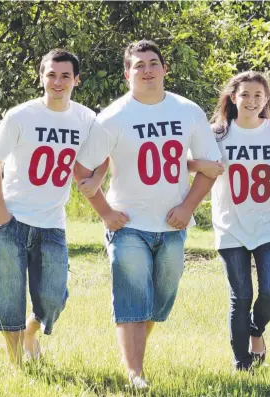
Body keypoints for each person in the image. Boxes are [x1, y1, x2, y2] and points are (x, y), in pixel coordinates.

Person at [74, 40, 221, 388]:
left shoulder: (188, 110)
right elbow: (81, 170)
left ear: (165, 69)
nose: (147, 70)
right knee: (131, 296)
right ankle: (135, 374)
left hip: (173, 225)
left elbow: (212, 168)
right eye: (139, 65)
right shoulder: (112, 117)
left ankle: (135, 352)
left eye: (153, 63)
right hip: (128, 225)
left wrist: (188, 207)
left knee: (158, 301)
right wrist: (106, 214)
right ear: (127, 74)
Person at [0, 50, 96, 366]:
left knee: (53, 299)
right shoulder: (20, 115)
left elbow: (106, 153)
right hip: (13, 218)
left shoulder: (86, 118)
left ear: (76, 80)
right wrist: (0, 212)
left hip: (52, 223)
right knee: (8, 298)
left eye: (64, 76)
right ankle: (17, 363)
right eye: (51, 75)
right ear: (41, 76)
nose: (57, 82)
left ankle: (33, 333)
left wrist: (97, 179)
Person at [189, 71, 270, 371]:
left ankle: (256, 330)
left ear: (266, 99)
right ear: (232, 97)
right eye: (245, 95)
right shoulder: (217, 133)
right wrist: (201, 164)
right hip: (231, 224)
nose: (251, 101)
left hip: (269, 223)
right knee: (240, 296)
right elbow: (187, 162)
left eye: (258, 95)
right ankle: (242, 362)